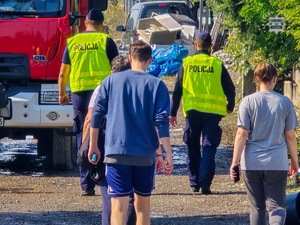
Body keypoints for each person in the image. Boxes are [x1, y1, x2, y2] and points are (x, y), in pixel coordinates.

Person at [89, 40, 174, 225]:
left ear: (129, 58)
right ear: (150, 60)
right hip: (144, 155)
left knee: (118, 208)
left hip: (116, 153)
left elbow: (96, 114)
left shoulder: (110, 81)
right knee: (142, 207)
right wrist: (167, 153)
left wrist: (93, 145)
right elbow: (161, 122)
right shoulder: (157, 85)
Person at [58, 8, 119, 196]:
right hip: (102, 94)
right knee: (103, 132)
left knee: (82, 134)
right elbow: (118, 69)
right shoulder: (105, 41)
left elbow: (62, 72)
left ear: (86, 23)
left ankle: (86, 184)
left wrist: (62, 94)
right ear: (101, 25)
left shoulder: (73, 42)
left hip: (79, 94)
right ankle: (101, 176)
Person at [230, 63, 299, 225]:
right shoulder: (285, 102)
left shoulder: (247, 102)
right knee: (276, 207)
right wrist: (294, 161)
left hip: (252, 162)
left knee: (257, 208)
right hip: (277, 162)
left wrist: (235, 162)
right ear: (275, 79)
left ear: (256, 79)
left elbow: (241, 134)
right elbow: (290, 136)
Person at [170, 31, 235, 194]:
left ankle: (194, 183)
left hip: (192, 113)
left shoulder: (187, 63)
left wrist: (172, 112)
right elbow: (230, 89)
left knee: (192, 146)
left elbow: (177, 90)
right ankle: (205, 183)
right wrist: (230, 106)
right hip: (213, 113)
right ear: (211, 46)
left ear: (195, 44)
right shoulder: (217, 64)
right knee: (209, 147)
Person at [82, 55, 136, 225]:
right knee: (132, 195)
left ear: (112, 71)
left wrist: (88, 145)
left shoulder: (102, 87)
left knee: (108, 194)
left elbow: (90, 119)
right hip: (134, 144)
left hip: (107, 144)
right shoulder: (138, 86)